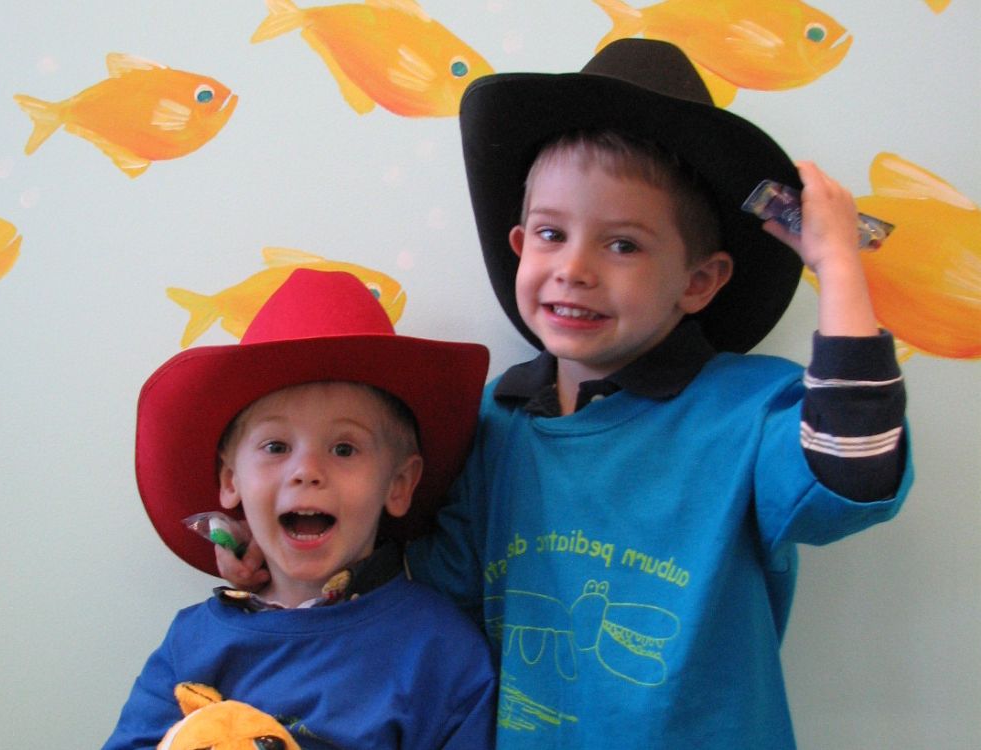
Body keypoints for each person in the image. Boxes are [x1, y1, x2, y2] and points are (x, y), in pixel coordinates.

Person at [220, 40, 914, 749]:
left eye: (623, 245)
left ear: (699, 282)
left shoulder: (748, 410)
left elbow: (853, 471)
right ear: (520, 244)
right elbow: (429, 586)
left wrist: (836, 268)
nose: (573, 269)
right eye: (552, 233)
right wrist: (283, 555)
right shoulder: (493, 421)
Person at [104, 268, 496, 750]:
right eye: (275, 446)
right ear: (231, 480)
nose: (306, 471)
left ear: (398, 483)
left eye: (345, 449)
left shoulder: (442, 653)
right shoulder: (192, 642)